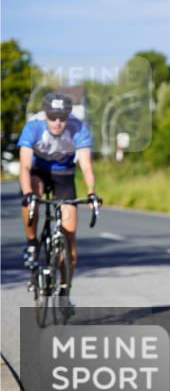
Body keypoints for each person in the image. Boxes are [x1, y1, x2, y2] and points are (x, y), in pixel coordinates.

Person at [18, 92, 99, 306]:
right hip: (38, 170)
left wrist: (91, 191)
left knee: (69, 235)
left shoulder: (78, 128)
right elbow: (24, 166)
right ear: (45, 115)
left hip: (64, 174)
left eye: (62, 117)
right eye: (53, 117)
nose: (57, 122)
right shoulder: (33, 126)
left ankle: (65, 291)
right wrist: (27, 194)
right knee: (33, 193)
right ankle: (32, 243)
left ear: (68, 116)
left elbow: (86, 165)